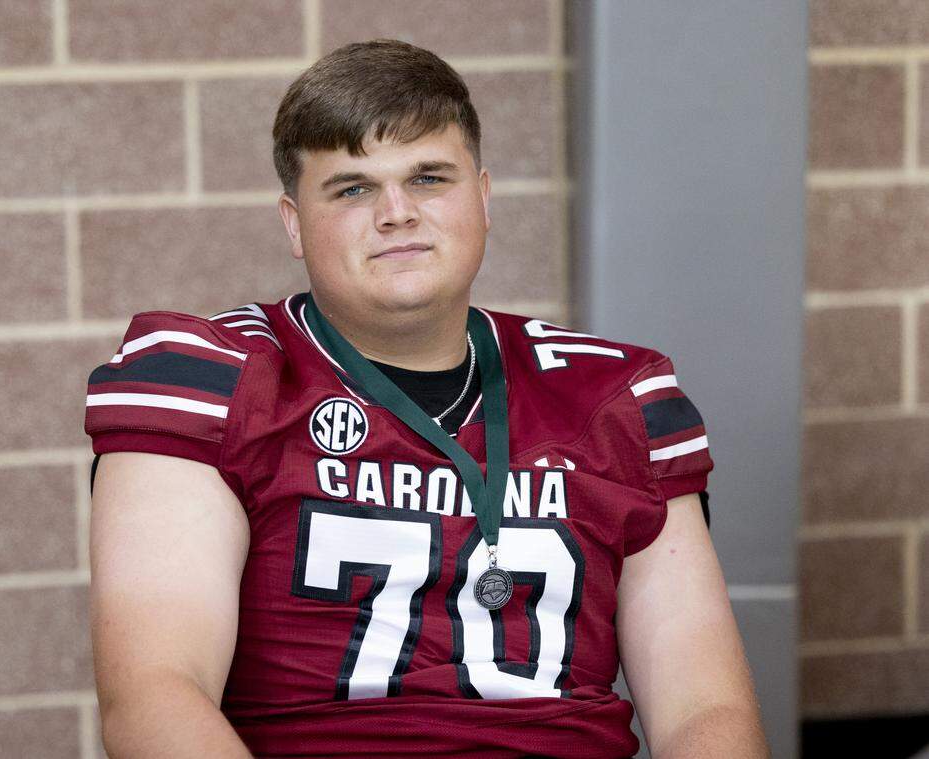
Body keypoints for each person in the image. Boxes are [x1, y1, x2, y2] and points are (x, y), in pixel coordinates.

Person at [84, 39, 768, 759]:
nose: (396, 213)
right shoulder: (213, 378)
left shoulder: (616, 395)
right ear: (293, 222)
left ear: (483, 195)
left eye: (429, 178)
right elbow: (155, 694)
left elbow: (704, 706)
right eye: (352, 188)